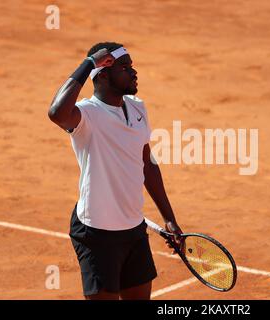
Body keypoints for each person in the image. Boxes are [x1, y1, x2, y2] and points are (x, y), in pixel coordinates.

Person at [48, 42, 182, 300]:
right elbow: (56, 113)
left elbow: (147, 164)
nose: (133, 72)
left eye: (132, 66)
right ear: (104, 74)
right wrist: (88, 63)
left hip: (133, 228)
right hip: (97, 233)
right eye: (125, 67)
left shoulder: (136, 108)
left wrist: (169, 218)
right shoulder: (87, 116)